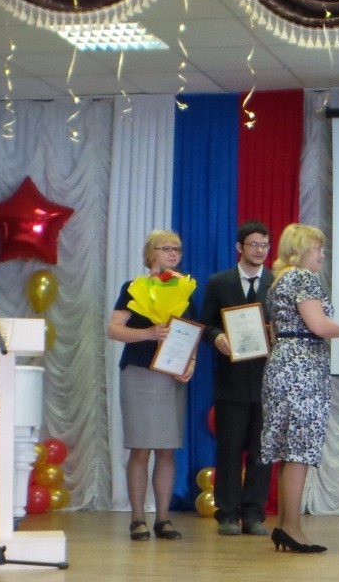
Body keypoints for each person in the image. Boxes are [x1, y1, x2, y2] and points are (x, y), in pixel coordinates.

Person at [260, 223, 339, 553]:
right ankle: (291, 528)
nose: (322, 255)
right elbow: (318, 325)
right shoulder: (303, 278)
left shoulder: (279, 279)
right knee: (299, 450)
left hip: (283, 364)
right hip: (302, 368)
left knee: (289, 450)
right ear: (302, 249)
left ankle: (285, 526)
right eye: (318, 249)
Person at [107, 230, 196, 542]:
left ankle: (163, 518)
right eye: (166, 248)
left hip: (171, 375)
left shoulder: (185, 288)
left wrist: (190, 363)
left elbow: (190, 333)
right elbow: (114, 329)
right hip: (139, 373)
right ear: (151, 253)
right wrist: (148, 333)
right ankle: (137, 519)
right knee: (141, 448)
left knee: (167, 449)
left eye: (177, 249)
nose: (173, 253)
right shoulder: (134, 287)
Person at [199, 220, 273, 537]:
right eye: (254, 244)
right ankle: (227, 514)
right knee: (228, 450)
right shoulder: (219, 282)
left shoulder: (276, 282)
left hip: (267, 380)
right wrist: (216, 336)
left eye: (265, 245)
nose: (260, 250)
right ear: (239, 247)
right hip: (230, 379)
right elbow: (205, 324)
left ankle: (254, 514)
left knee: (261, 452)